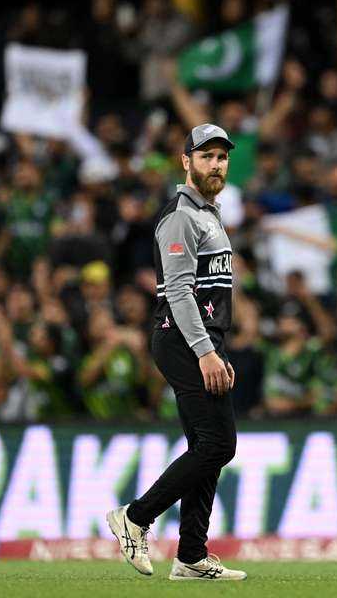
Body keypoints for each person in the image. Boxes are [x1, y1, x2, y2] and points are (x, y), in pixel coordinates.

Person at [106, 124, 245, 581]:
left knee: (206, 446)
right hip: (183, 337)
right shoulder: (181, 215)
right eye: (206, 156)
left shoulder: (209, 214)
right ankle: (136, 517)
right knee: (220, 444)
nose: (216, 164)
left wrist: (217, 348)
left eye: (221, 157)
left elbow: (213, 290)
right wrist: (206, 352)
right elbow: (180, 292)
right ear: (185, 161)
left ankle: (190, 555)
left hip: (202, 339)